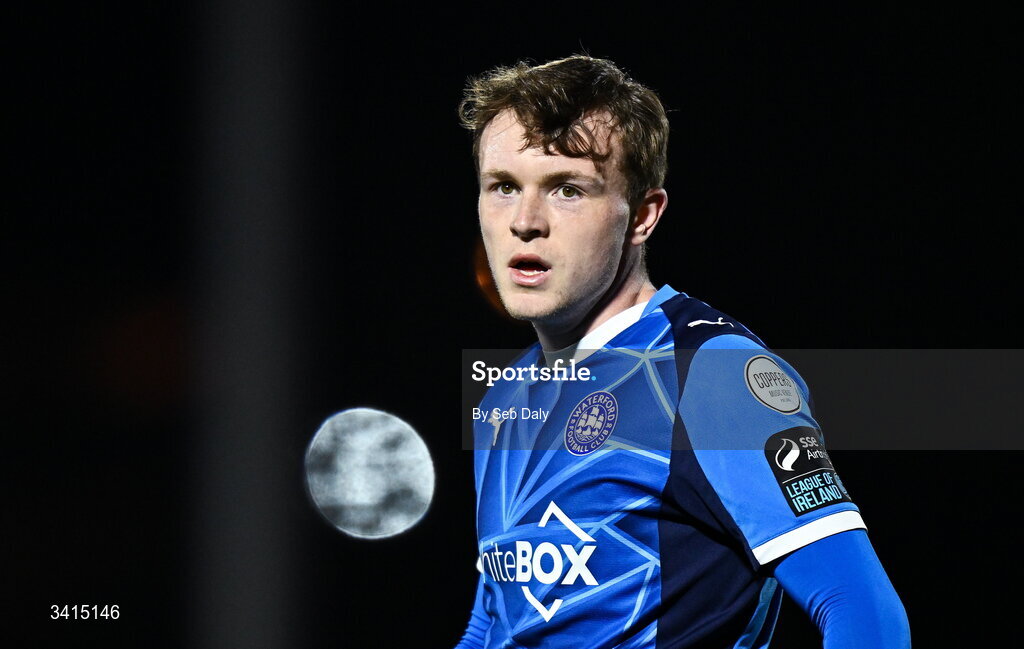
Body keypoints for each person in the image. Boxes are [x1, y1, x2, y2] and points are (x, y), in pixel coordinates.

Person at [455, 55, 910, 649]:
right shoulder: (504, 395)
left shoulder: (713, 375)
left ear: (643, 216)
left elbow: (867, 617)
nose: (525, 221)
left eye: (567, 189)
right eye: (504, 187)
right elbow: (494, 621)